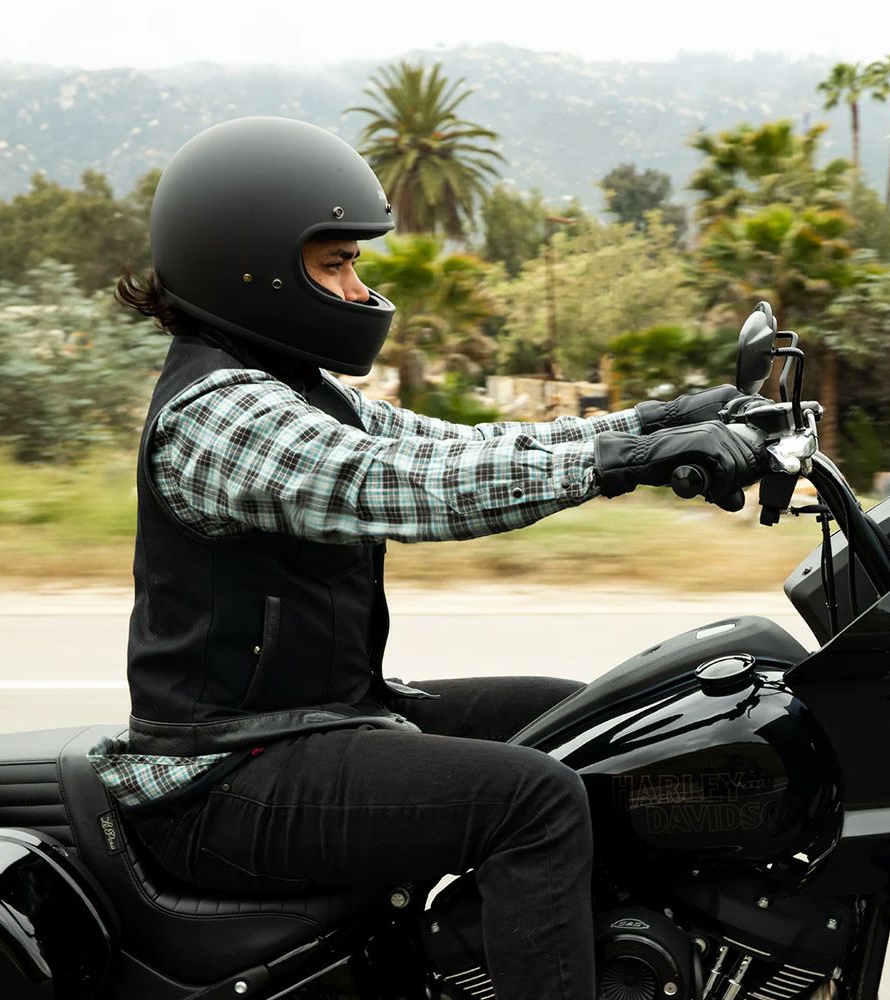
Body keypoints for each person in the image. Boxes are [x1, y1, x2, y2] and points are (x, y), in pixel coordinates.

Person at [89, 116, 763, 1000]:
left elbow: (459, 445)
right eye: (336, 265)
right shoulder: (219, 414)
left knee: (591, 722)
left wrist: (658, 422)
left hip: (316, 723)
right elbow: (403, 485)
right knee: (534, 800)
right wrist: (620, 464)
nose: (358, 287)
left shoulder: (296, 389)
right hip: (221, 780)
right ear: (248, 268)